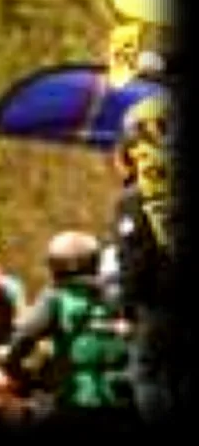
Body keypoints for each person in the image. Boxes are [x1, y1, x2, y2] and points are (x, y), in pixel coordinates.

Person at [0, 231, 135, 421]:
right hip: (124, 401)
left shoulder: (55, 297)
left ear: (54, 266)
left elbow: (24, 337)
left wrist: (11, 369)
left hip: (76, 402)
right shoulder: (120, 295)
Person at [109, 94, 175, 423]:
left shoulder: (137, 197)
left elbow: (134, 257)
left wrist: (125, 308)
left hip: (160, 302)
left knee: (147, 374)